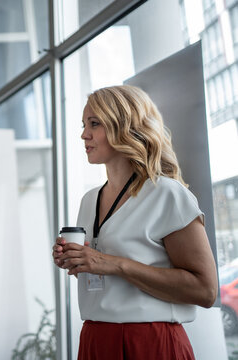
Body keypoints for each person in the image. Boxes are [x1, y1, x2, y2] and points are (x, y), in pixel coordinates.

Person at [52, 85, 218, 360]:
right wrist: (78, 260)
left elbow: (205, 290)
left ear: (124, 126)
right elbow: (99, 268)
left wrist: (112, 263)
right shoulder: (89, 200)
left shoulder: (167, 193)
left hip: (151, 343)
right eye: (84, 124)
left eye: (95, 124)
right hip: (95, 340)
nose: (84, 134)